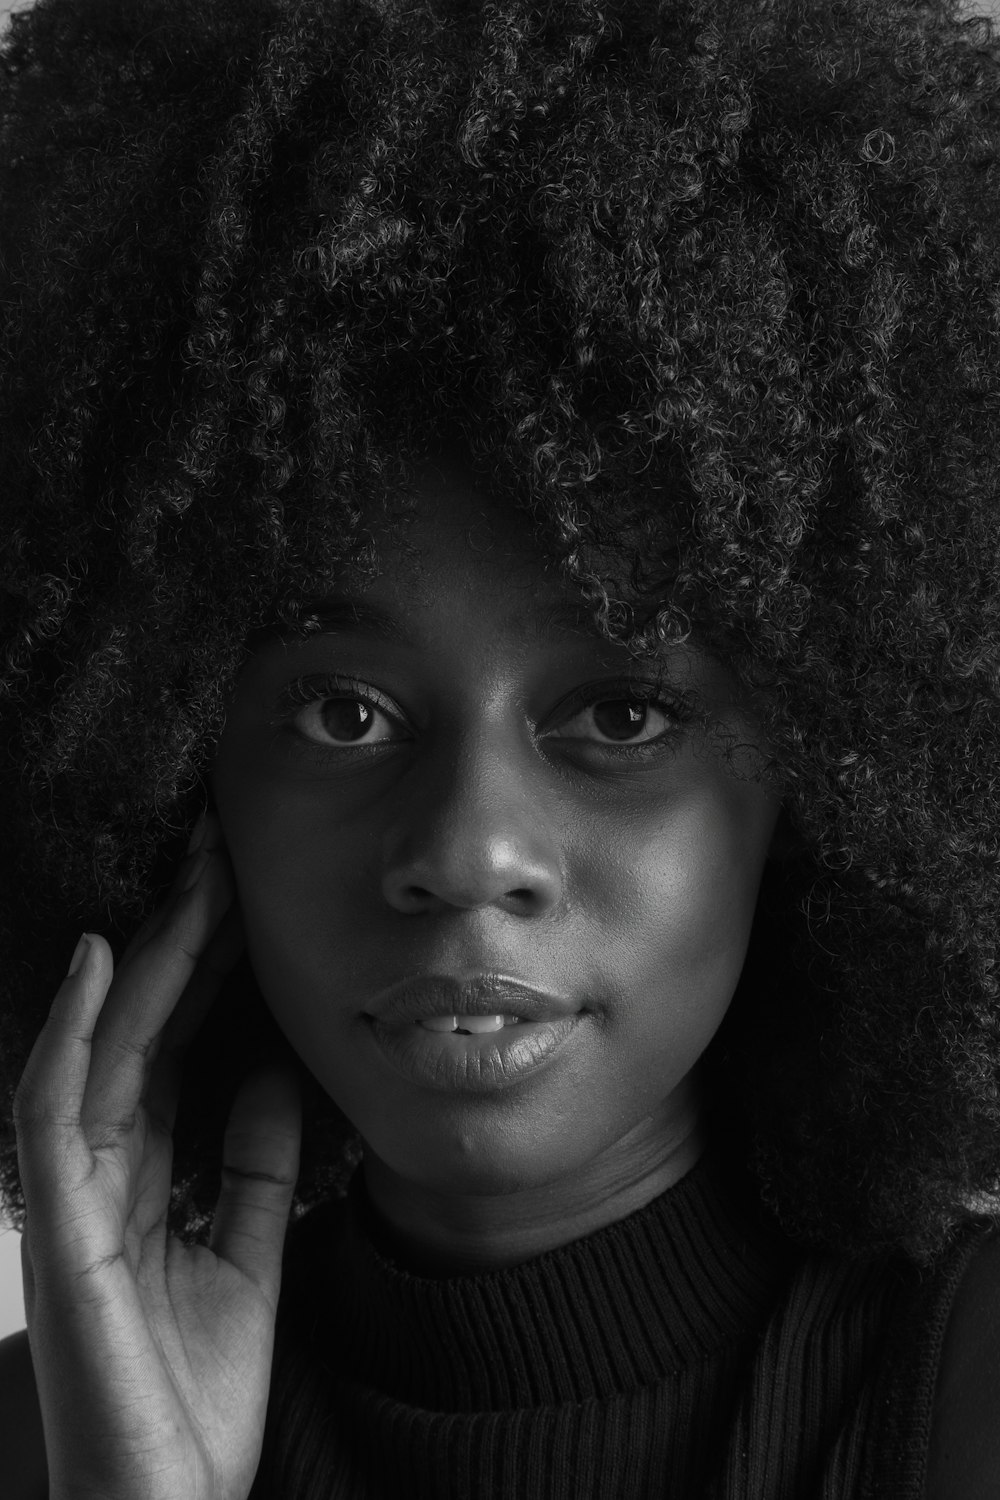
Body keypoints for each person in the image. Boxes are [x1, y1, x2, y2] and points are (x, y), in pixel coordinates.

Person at [1, 0, 999, 1493]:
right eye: (345, 712)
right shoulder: (61, 1430)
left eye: (619, 714)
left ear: (826, 773)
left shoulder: (973, 1387)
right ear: (170, 772)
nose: (468, 854)